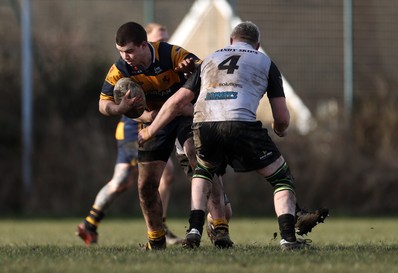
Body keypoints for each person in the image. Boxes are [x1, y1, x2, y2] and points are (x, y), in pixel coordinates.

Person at [138, 21, 326, 250]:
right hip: (241, 125)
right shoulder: (264, 61)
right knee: (281, 179)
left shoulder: (210, 58)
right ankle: (288, 238)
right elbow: (282, 117)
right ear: (257, 45)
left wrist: (150, 130)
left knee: (204, 171)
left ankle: (194, 231)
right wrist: (281, 128)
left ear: (230, 41)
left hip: (205, 125)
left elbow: (177, 101)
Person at [96, 21, 229, 250]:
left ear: (144, 45)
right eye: (121, 52)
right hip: (154, 120)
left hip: (184, 115)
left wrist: (190, 67)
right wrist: (121, 109)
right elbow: (102, 104)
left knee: (198, 159)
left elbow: (202, 68)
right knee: (146, 184)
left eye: (129, 51)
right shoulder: (120, 69)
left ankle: (220, 229)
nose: (125, 56)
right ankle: (156, 240)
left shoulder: (171, 54)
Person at [75, 22, 183, 246]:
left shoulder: (167, 60)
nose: (164, 43)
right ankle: (159, 226)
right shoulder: (128, 66)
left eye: (166, 38)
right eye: (159, 39)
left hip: (146, 126)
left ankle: (89, 224)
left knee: (121, 181)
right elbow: (105, 104)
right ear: (146, 42)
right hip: (133, 128)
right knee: (165, 172)